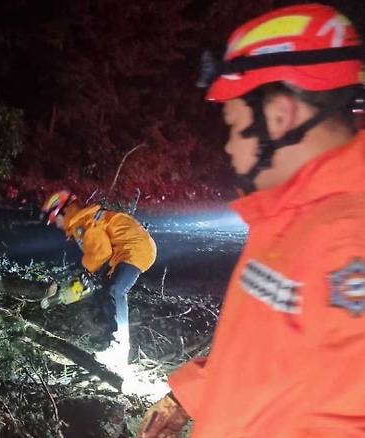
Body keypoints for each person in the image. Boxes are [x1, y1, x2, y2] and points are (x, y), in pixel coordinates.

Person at [139, 3, 365, 437]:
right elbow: (269, 355)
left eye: (233, 123)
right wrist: (189, 396)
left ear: (280, 117)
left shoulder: (348, 240)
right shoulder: (288, 218)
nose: (228, 147)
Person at [41, 190, 157, 370]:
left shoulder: (83, 224)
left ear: (63, 211)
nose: (56, 224)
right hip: (128, 250)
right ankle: (112, 343)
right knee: (107, 291)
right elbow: (99, 256)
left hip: (132, 249)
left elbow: (101, 253)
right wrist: (86, 278)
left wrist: (85, 274)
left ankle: (117, 346)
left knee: (115, 291)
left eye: (55, 219)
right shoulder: (83, 220)